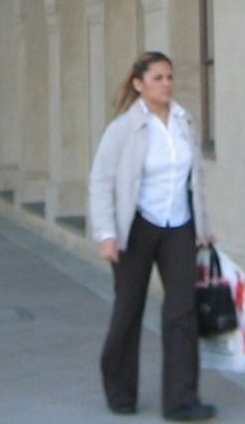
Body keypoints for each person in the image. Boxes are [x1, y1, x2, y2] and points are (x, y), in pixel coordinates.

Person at [88, 52, 216, 421]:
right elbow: (102, 181)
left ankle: (181, 401)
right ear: (139, 84)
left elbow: (196, 178)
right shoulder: (123, 129)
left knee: (182, 312)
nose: (166, 84)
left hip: (178, 226)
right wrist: (107, 234)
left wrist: (204, 227)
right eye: (158, 77)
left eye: (170, 77)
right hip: (137, 228)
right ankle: (120, 391)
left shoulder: (183, 121)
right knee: (128, 310)